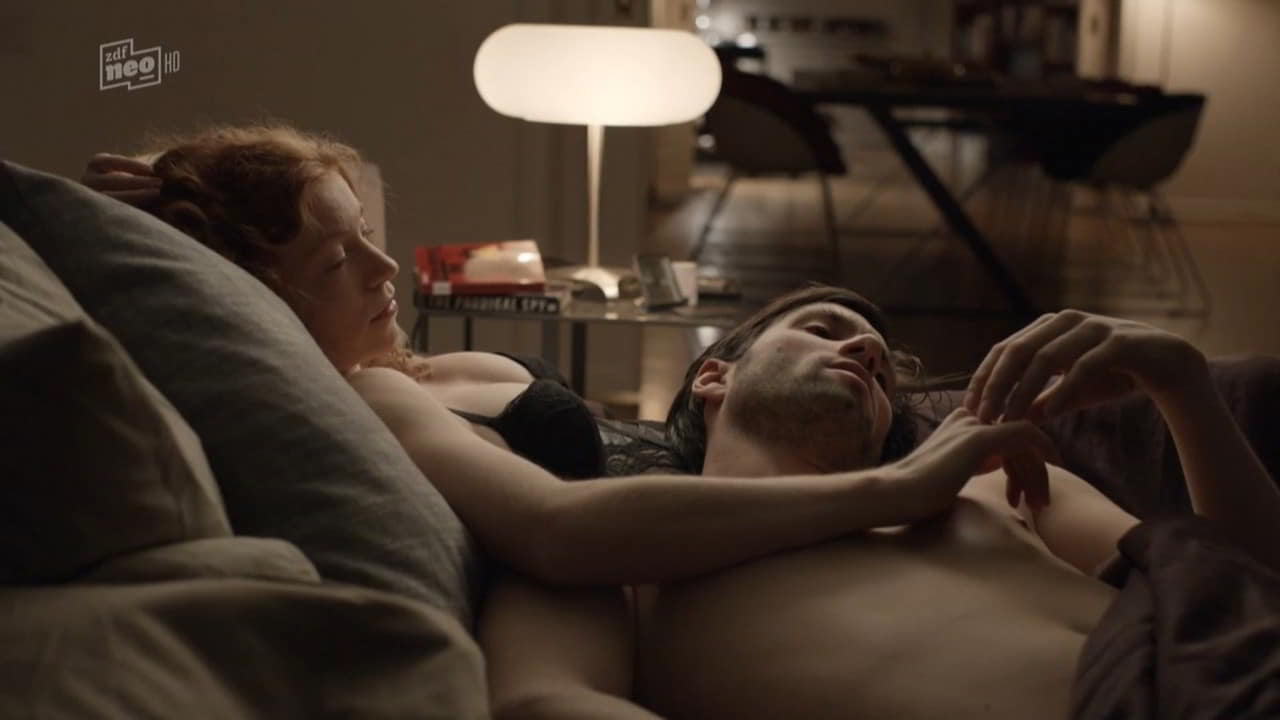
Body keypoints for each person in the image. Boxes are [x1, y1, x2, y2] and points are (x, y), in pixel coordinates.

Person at [83, 124, 1064, 594]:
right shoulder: (374, 397)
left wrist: (175, 182)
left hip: (732, 455)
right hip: (720, 533)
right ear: (262, 298)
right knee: (1041, 441)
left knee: (1041, 420)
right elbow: (556, 530)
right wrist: (897, 487)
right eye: (338, 262)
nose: (385, 267)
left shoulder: (404, 365)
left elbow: (253, 214)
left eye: (367, 235)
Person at [476, 286, 1280, 719]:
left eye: (884, 372)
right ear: (714, 376)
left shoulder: (1001, 486)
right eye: (824, 329)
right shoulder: (620, 548)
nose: (862, 349)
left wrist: (1184, 387)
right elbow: (541, 701)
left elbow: (1237, 587)